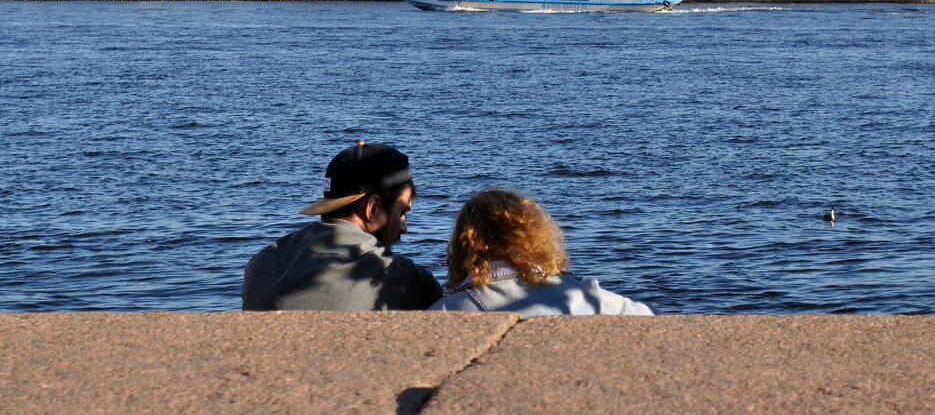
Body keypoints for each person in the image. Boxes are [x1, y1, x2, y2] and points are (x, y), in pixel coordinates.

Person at [242, 142, 442, 311]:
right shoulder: (404, 277)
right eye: (402, 213)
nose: (404, 227)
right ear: (373, 208)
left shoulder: (261, 263)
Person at [429, 188, 654, 316]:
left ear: (463, 245)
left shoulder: (445, 312)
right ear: (537, 237)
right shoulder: (587, 297)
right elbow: (651, 317)